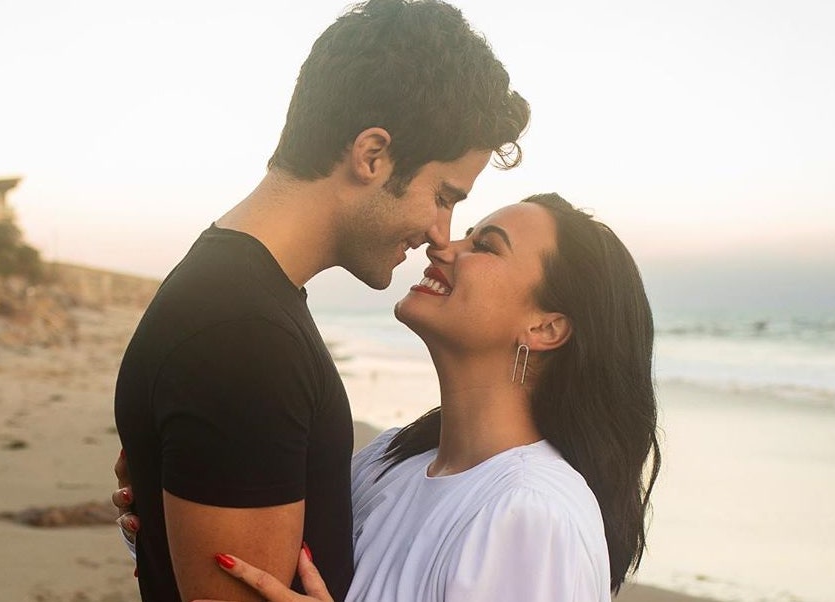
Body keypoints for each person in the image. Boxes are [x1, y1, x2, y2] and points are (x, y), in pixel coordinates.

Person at [112, 1, 530, 600]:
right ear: (372, 155)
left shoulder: (235, 299)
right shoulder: (244, 336)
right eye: (443, 195)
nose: (441, 233)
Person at [164, 193, 662, 601]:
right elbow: (264, 576)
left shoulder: (532, 515)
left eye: (485, 245)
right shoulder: (389, 459)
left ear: (546, 328)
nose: (441, 245)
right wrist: (177, 506)